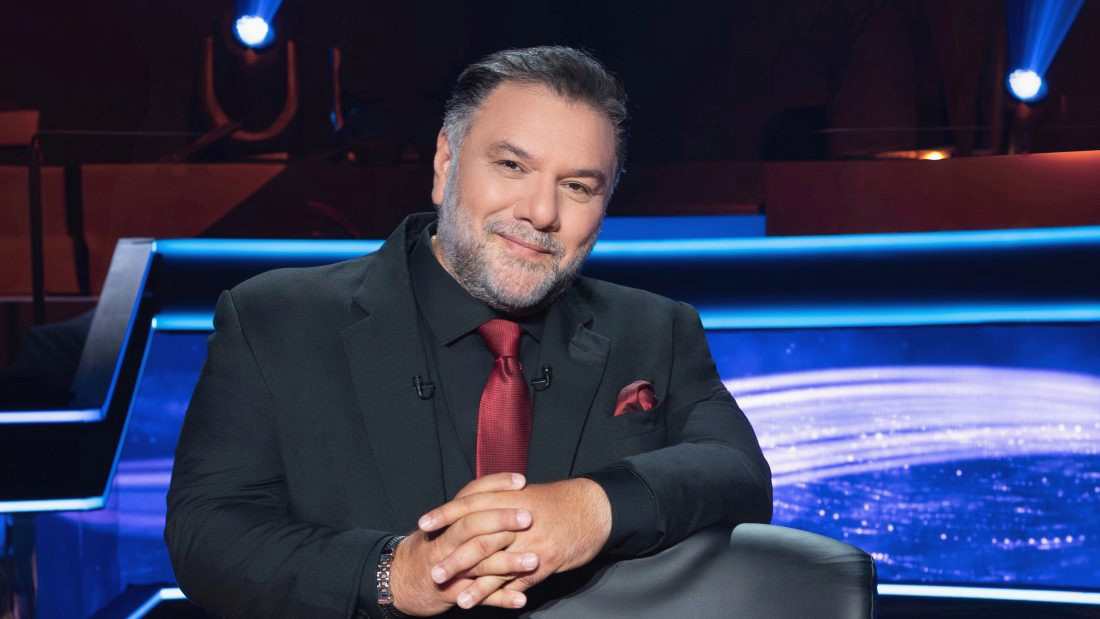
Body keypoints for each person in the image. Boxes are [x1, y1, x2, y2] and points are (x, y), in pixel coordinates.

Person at [165, 46, 772, 618]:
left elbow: (738, 472)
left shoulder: (656, 328)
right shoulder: (274, 318)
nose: (541, 212)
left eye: (578, 186)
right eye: (512, 166)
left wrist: (593, 507)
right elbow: (207, 534)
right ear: (445, 163)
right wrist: (393, 573)